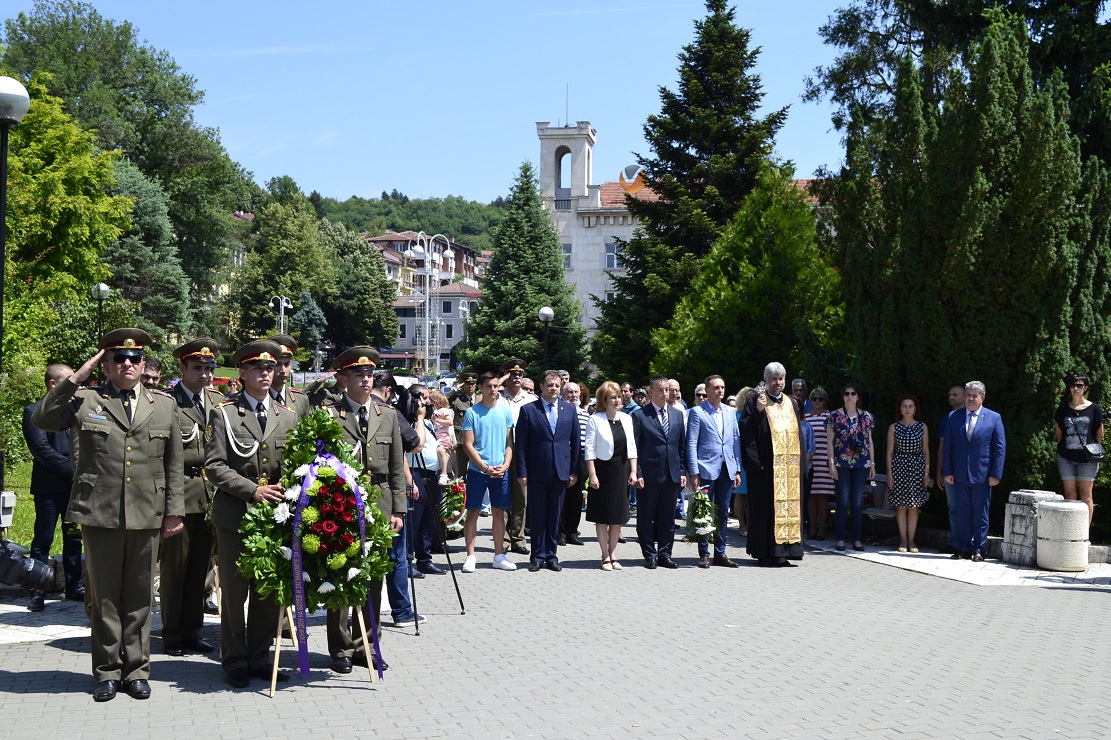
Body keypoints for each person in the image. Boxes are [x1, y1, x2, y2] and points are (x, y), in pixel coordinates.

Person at [33, 328, 185, 702]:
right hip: (100, 512)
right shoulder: (86, 399)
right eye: (119, 358)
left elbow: (174, 462)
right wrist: (75, 378)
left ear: (145, 364)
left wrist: (173, 511)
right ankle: (106, 672)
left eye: (135, 359)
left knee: (139, 598)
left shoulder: (163, 404)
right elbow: (43, 418)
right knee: (103, 599)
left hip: (147, 512)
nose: (128, 364)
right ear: (107, 364)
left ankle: (136, 670)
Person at [204, 339, 298, 688]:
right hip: (236, 516)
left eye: (270, 368)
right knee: (235, 590)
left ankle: (259, 657)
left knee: (268, 592)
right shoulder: (224, 413)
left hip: (276, 516)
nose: (264, 373)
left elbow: (296, 463)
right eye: (257, 368)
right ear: (242, 373)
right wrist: (251, 490)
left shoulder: (286, 415)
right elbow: (213, 466)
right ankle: (234, 660)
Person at [322, 348, 408, 673]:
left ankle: (367, 645)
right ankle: (341, 649)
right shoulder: (331, 415)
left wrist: (398, 509)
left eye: (370, 374)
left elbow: (397, 466)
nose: (366, 380)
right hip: (343, 505)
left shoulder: (387, 414)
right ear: (344, 379)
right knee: (342, 576)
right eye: (359, 375)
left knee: (374, 578)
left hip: (381, 502)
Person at [161, 339, 224, 657]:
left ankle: (192, 630)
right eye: (197, 368)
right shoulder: (167, 403)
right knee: (175, 569)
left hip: (211, 495)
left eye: (209, 368)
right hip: (181, 494)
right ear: (182, 369)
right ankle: (172, 633)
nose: (205, 374)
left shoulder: (218, 402)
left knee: (200, 567)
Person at [23, 363, 82, 612]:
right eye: (70, 380)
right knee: (43, 539)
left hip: (73, 488)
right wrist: (74, 469)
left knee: (74, 539)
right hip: (49, 488)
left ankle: (74, 586)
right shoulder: (34, 411)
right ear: (54, 384)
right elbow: (42, 451)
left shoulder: (75, 409)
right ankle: (36, 591)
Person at [739, 362, 804, 567]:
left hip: (789, 469)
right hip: (766, 469)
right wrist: (758, 412)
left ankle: (787, 552)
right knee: (766, 510)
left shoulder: (791, 402)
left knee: (790, 509)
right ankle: (767, 553)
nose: (777, 382)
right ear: (766, 380)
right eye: (773, 379)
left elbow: (798, 435)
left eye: (780, 378)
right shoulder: (755, 401)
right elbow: (747, 433)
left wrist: (799, 465)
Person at [514, 371, 581, 572]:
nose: (553, 388)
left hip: (561, 471)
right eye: (549, 385)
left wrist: (574, 471)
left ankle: (551, 556)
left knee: (554, 516)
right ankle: (537, 556)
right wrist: (522, 471)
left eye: (556, 385)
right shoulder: (528, 410)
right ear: (541, 387)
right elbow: (521, 444)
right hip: (536, 471)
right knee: (537, 515)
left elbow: (576, 442)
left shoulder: (569, 410)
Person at [943, 381, 1006, 561]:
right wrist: (948, 471)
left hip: (983, 475)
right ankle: (963, 547)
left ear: (982, 398)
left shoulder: (994, 418)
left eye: (974, 395)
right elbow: (948, 446)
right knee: (962, 512)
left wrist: (996, 474)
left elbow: (999, 448)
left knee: (980, 513)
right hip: (960, 474)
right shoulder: (954, 417)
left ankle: (978, 549)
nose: (970, 398)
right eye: (968, 395)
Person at [461, 370, 517, 572]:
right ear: (481, 388)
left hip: (501, 470)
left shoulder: (505, 411)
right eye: (489, 386)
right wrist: (484, 467)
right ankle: (470, 555)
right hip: (478, 471)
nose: (493, 389)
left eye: (495, 386)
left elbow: (509, 442)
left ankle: (498, 555)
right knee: (473, 512)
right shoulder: (472, 413)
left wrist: (506, 464)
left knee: (499, 513)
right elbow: (468, 445)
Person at [687, 375, 742, 569]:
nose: (720, 391)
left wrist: (737, 470)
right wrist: (694, 472)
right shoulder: (697, 412)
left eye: (722, 387)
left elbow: (735, 442)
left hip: (727, 468)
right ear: (707, 390)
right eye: (716, 387)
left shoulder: (729, 412)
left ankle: (720, 552)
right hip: (705, 469)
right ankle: (704, 553)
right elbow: (691, 443)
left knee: (723, 512)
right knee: (704, 511)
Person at [632, 375, 686, 569]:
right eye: (661, 390)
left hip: (671, 475)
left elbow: (681, 447)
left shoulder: (678, 415)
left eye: (668, 390)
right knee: (646, 518)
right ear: (651, 392)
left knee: (668, 518)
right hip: (649, 475)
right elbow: (635, 448)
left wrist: (681, 471)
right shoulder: (640, 416)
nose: (665, 394)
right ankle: (649, 554)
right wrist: (637, 473)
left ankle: (665, 554)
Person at [584, 381, 637, 570]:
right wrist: (593, 475)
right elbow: (589, 449)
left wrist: (633, 471)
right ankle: (604, 555)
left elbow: (632, 447)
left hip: (621, 470)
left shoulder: (626, 419)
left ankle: (614, 553)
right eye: (613, 397)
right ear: (604, 401)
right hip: (603, 470)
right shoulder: (595, 419)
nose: (617, 400)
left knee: (617, 515)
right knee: (603, 515)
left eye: (618, 397)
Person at [826, 382, 875, 552]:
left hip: (861, 463)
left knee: (856, 502)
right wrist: (831, 463)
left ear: (858, 396)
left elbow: (870, 441)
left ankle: (857, 539)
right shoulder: (834, 416)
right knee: (843, 501)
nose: (850, 396)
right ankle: (840, 538)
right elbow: (830, 442)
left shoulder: (867, 416)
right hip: (842, 463)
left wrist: (872, 463)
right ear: (843, 396)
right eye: (847, 393)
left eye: (853, 393)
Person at [408, 384, 449, 577]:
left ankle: (425, 559)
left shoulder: (430, 422)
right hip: (416, 472)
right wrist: (419, 417)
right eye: (423, 398)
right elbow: (415, 444)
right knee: (414, 520)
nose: (428, 402)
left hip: (432, 474)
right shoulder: (410, 420)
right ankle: (408, 561)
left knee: (429, 520)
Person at [500, 359, 538, 555]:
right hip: (501, 451)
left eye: (519, 374)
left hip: (523, 452)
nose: (516, 377)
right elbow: (478, 400)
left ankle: (518, 538)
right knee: (503, 495)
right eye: (511, 374)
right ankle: (503, 539)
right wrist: (499, 382)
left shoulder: (531, 400)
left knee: (521, 498)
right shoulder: (497, 397)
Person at [1055, 373, 1103, 523]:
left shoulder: (1094, 409)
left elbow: (1099, 435)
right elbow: (1059, 434)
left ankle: (1084, 534)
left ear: (1085, 388)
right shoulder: (1063, 409)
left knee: (1086, 495)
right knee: (1070, 494)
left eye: (1079, 385)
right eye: (1072, 385)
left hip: (1087, 458)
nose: (1075, 388)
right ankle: (1070, 532)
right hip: (1066, 457)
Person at [886, 395, 930, 553]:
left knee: (913, 507)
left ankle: (912, 540)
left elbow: (926, 451)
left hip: (917, 468)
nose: (907, 409)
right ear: (900, 409)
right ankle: (903, 540)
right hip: (899, 467)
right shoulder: (894, 427)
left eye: (910, 406)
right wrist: (890, 474)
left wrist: (926, 472)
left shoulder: (922, 427)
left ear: (915, 409)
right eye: (904, 406)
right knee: (901, 506)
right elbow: (890, 452)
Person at [935, 385, 966, 553]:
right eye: (949, 394)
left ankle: (968, 543)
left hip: (967, 471)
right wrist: (939, 471)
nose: (951, 397)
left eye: (955, 394)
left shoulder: (971, 417)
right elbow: (942, 446)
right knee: (953, 507)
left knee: (968, 507)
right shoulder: (946, 418)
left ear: (964, 397)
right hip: (949, 472)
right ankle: (955, 543)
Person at [558, 380, 589, 547]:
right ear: (563, 394)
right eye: (570, 392)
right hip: (564, 457)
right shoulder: (559, 412)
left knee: (577, 497)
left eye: (576, 392)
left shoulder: (586, 414)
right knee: (562, 496)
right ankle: (560, 533)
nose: (573, 395)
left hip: (581, 458)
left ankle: (572, 532)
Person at [805, 388, 833, 539]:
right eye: (814, 398)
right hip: (809, 460)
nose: (817, 401)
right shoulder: (806, 417)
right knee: (810, 496)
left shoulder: (830, 417)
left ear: (825, 400)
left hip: (824, 460)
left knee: (822, 496)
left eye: (820, 399)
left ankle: (821, 529)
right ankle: (811, 529)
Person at [732, 387, 757, 536]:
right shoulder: (736, 416)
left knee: (751, 494)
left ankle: (751, 524)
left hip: (752, 459)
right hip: (740, 458)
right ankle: (742, 525)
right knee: (741, 494)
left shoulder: (756, 414)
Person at [267, 334, 311, 416]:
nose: (283, 370)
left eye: (286, 364)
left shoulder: (301, 399)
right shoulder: (259, 398)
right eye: (278, 364)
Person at [449, 372, 478, 476]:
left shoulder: (481, 399)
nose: (470, 386)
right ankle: (462, 490)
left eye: (472, 383)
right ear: (463, 385)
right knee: (461, 468)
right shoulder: (457, 399)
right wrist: (455, 389)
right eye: (467, 383)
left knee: (478, 468)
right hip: (462, 438)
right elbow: (442, 400)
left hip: (478, 437)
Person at [429, 389, 455, 482]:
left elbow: (450, 422)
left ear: (435, 402)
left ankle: (444, 473)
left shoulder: (443, 411)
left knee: (441, 450)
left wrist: (437, 420)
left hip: (443, 437)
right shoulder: (432, 413)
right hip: (436, 436)